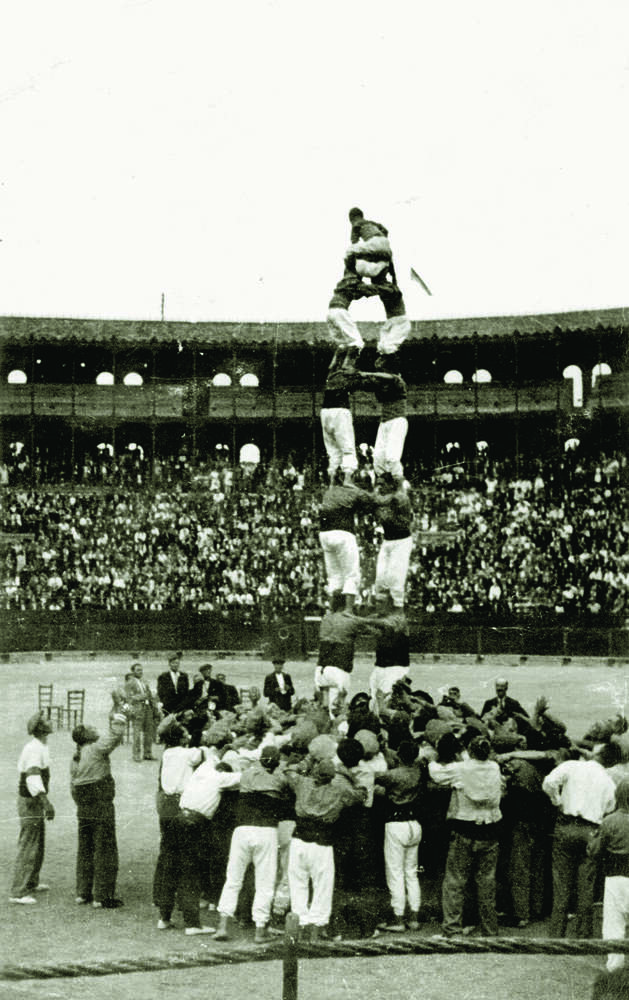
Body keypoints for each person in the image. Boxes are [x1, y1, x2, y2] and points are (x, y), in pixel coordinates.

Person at [213, 745, 292, 943]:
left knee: (233, 879)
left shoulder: (247, 774)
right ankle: (260, 930)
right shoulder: (280, 779)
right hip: (267, 831)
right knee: (265, 883)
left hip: (242, 829)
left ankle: (222, 926)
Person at [286, 756, 367, 940]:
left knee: (298, 886)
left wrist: (306, 762)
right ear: (332, 777)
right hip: (322, 843)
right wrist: (353, 778)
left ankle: (299, 932)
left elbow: (288, 771)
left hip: (299, 840)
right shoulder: (340, 790)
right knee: (322, 889)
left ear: (316, 772)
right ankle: (315, 934)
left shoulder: (302, 782)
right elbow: (361, 795)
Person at [542, 743, 617, 937]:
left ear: (597, 753)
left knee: (561, 883)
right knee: (586, 886)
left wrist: (557, 800)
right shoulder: (608, 781)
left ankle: (556, 935)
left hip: (566, 824)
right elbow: (609, 807)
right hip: (591, 829)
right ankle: (583, 935)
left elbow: (549, 782)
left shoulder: (572, 766)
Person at [440, 735, 504, 937]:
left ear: (470, 751)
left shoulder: (461, 768)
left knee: (455, 882)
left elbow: (437, 775)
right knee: (487, 883)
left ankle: (452, 929)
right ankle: (489, 930)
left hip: (465, 827)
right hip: (490, 829)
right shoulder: (494, 767)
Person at [152, 718, 212, 935]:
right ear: (180, 738)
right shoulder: (188, 754)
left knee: (168, 856)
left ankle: (163, 909)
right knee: (188, 861)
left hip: (166, 807)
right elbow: (203, 753)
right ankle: (191, 919)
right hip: (181, 806)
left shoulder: (167, 754)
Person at [71, 712, 126, 908]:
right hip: (100, 800)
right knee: (105, 847)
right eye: (91, 728)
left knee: (85, 847)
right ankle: (102, 895)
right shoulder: (95, 749)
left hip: (83, 803)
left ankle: (83, 892)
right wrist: (119, 717)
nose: (95, 729)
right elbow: (114, 736)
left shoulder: (76, 757)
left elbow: (72, 786)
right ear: (87, 736)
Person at [375, 740, 424, 932]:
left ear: (399, 756)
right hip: (415, 824)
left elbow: (376, 777)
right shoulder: (418, 771)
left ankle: (398, 918)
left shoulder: (392, 775)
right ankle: (414, 918)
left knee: (395, 873)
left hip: (396, 824)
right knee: (411, 873)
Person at [9, 711, 55, 904]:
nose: (50, 722)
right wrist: (46, 802)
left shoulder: (40, 746)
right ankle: (19, 891)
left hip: (33, 800)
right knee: (29, 844)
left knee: (37, 842)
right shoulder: (34, 749)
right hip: (30, 801)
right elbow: (33, 776)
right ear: (41, 729)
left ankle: (31, 882)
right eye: (46, 721)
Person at [318, 471, 377, 612]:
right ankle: (348, 610)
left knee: (334, 576)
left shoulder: (331, 490)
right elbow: (373, 501)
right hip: (342, 533)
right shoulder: (356, 491)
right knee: (352, 575)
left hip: (324, 534)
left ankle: (332, 611)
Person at [588, 776, 629, 971]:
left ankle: (615, 967)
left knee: (614, 924)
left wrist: (592, 839)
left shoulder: (611, 820)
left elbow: (595, 851)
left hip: (616, 876)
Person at [315, 593, 368, 717]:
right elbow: (369, 630)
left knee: (324, 711)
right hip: (340, 669)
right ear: (345, 605)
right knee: (338, 712)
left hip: (321, 668)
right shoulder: (349, 620)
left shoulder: (326, 619)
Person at [374, 474, 413, 609]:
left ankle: (398, 610)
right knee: (380, 578)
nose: (379, 487)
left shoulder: (400, 497)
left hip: (401, 541)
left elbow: (391, 500)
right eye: (378, 484)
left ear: (391, 485)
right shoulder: (384, 497)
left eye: (382, 484)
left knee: (395, 578)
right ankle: (382, 610)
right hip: (387, 540)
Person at [320, 368, 360, 483]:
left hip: (325, 412)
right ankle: (347, 480)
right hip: (340, 411)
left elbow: (332, 366)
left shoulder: (331, 374)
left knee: (333, 450)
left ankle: (332, 482)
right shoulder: (344, 375)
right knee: (348, 448)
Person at [124, 663, 159, 762]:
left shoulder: (144, 681)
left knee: (149, 732)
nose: (140, 672)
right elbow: (129, 698)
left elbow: (149, 694)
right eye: (138, 670)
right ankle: (136, 754)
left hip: (148, 708)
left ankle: (148, 753)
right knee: (137, 733)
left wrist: (154, 705)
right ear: (133, 671)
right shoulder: (129, 683)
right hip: (137, 710)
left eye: (141, 670)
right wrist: (143, 696)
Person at [157, 651, 190, 716]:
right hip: (168, 706)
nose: (175, 665)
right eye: (173, 663)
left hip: (181, 706)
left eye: (177, 663)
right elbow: (160, 692)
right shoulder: (163, 677)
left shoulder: (184, 676)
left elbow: (186, 691)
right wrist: (165, 703)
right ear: (169, 664)